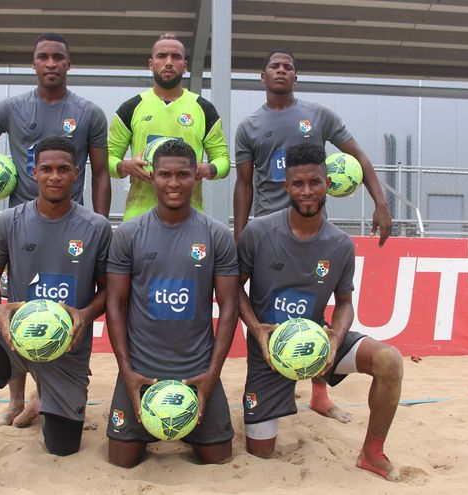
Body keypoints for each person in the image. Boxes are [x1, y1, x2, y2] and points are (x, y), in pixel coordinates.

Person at [0, 137, 112, 495]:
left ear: (77, 173)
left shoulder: (96, 227)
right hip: (16, 338)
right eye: (47, 169)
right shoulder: (10, 221)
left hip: (66, 349)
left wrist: (85, 313)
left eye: (63, 169)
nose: (55, 176)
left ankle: (41, 398)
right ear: (33, 173)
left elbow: (109, 291)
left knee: (62, 447)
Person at [0, 32, 110, 428]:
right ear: (34, 63)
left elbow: (101, 173)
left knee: (66, 306)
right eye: (43, 57)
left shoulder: (89, 113)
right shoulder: (10, 107)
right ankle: (16, 399)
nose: (51, 63)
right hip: (21, 224)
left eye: (58, 57)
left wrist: (101, 223)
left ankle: (50, 391)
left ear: (69, 64)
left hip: (71, 224)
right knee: (19, 304)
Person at [233, 49, 394, 422]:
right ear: (262, 76)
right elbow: (244, 184)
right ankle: (269, 383)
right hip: (267, 229)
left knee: (313, 304)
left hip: (311, 226)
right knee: (268, 309)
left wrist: (381, 202)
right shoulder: (249, 126)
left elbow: (359, 156)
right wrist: (240, 234)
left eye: (288, 66)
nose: (281, 70)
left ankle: (319, 393)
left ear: (296, 76)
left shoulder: (318, 115)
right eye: (274, 66)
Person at [237, 142, 404, 481]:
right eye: (298, 183)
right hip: (269, 351)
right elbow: (232, 289)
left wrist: (335, 338)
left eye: (314, 182)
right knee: (261, 451)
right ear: (286, 186)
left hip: (318, 343)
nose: (307, 191)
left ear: (328, 183)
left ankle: (372, 452)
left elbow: (344, 303)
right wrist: (256, 329)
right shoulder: (258, 232)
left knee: (390, 361)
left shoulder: (339, 244)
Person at [105, 139, 238, 467]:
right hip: (141, 371)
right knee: (122, 460)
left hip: (197, 371)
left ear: (196, 177)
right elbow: (115, 305)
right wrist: (126, 372)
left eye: (183, 174)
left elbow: (229, 308)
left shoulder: (217, 235)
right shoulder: (128, 234)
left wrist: (212, 374)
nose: (174, 183)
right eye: (165, 174)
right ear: (152, 177)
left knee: (218, 458)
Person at [108, 32, 230, 221]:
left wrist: (208, 169)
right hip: (139, 218)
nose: (169, 62)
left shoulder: (203, 108)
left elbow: (223, 160)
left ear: (185, 66)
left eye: (176, 56)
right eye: (162, 56)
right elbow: (108, 158)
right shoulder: (131, 108)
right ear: (151, 64)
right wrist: (125, 166)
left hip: (189, 219)